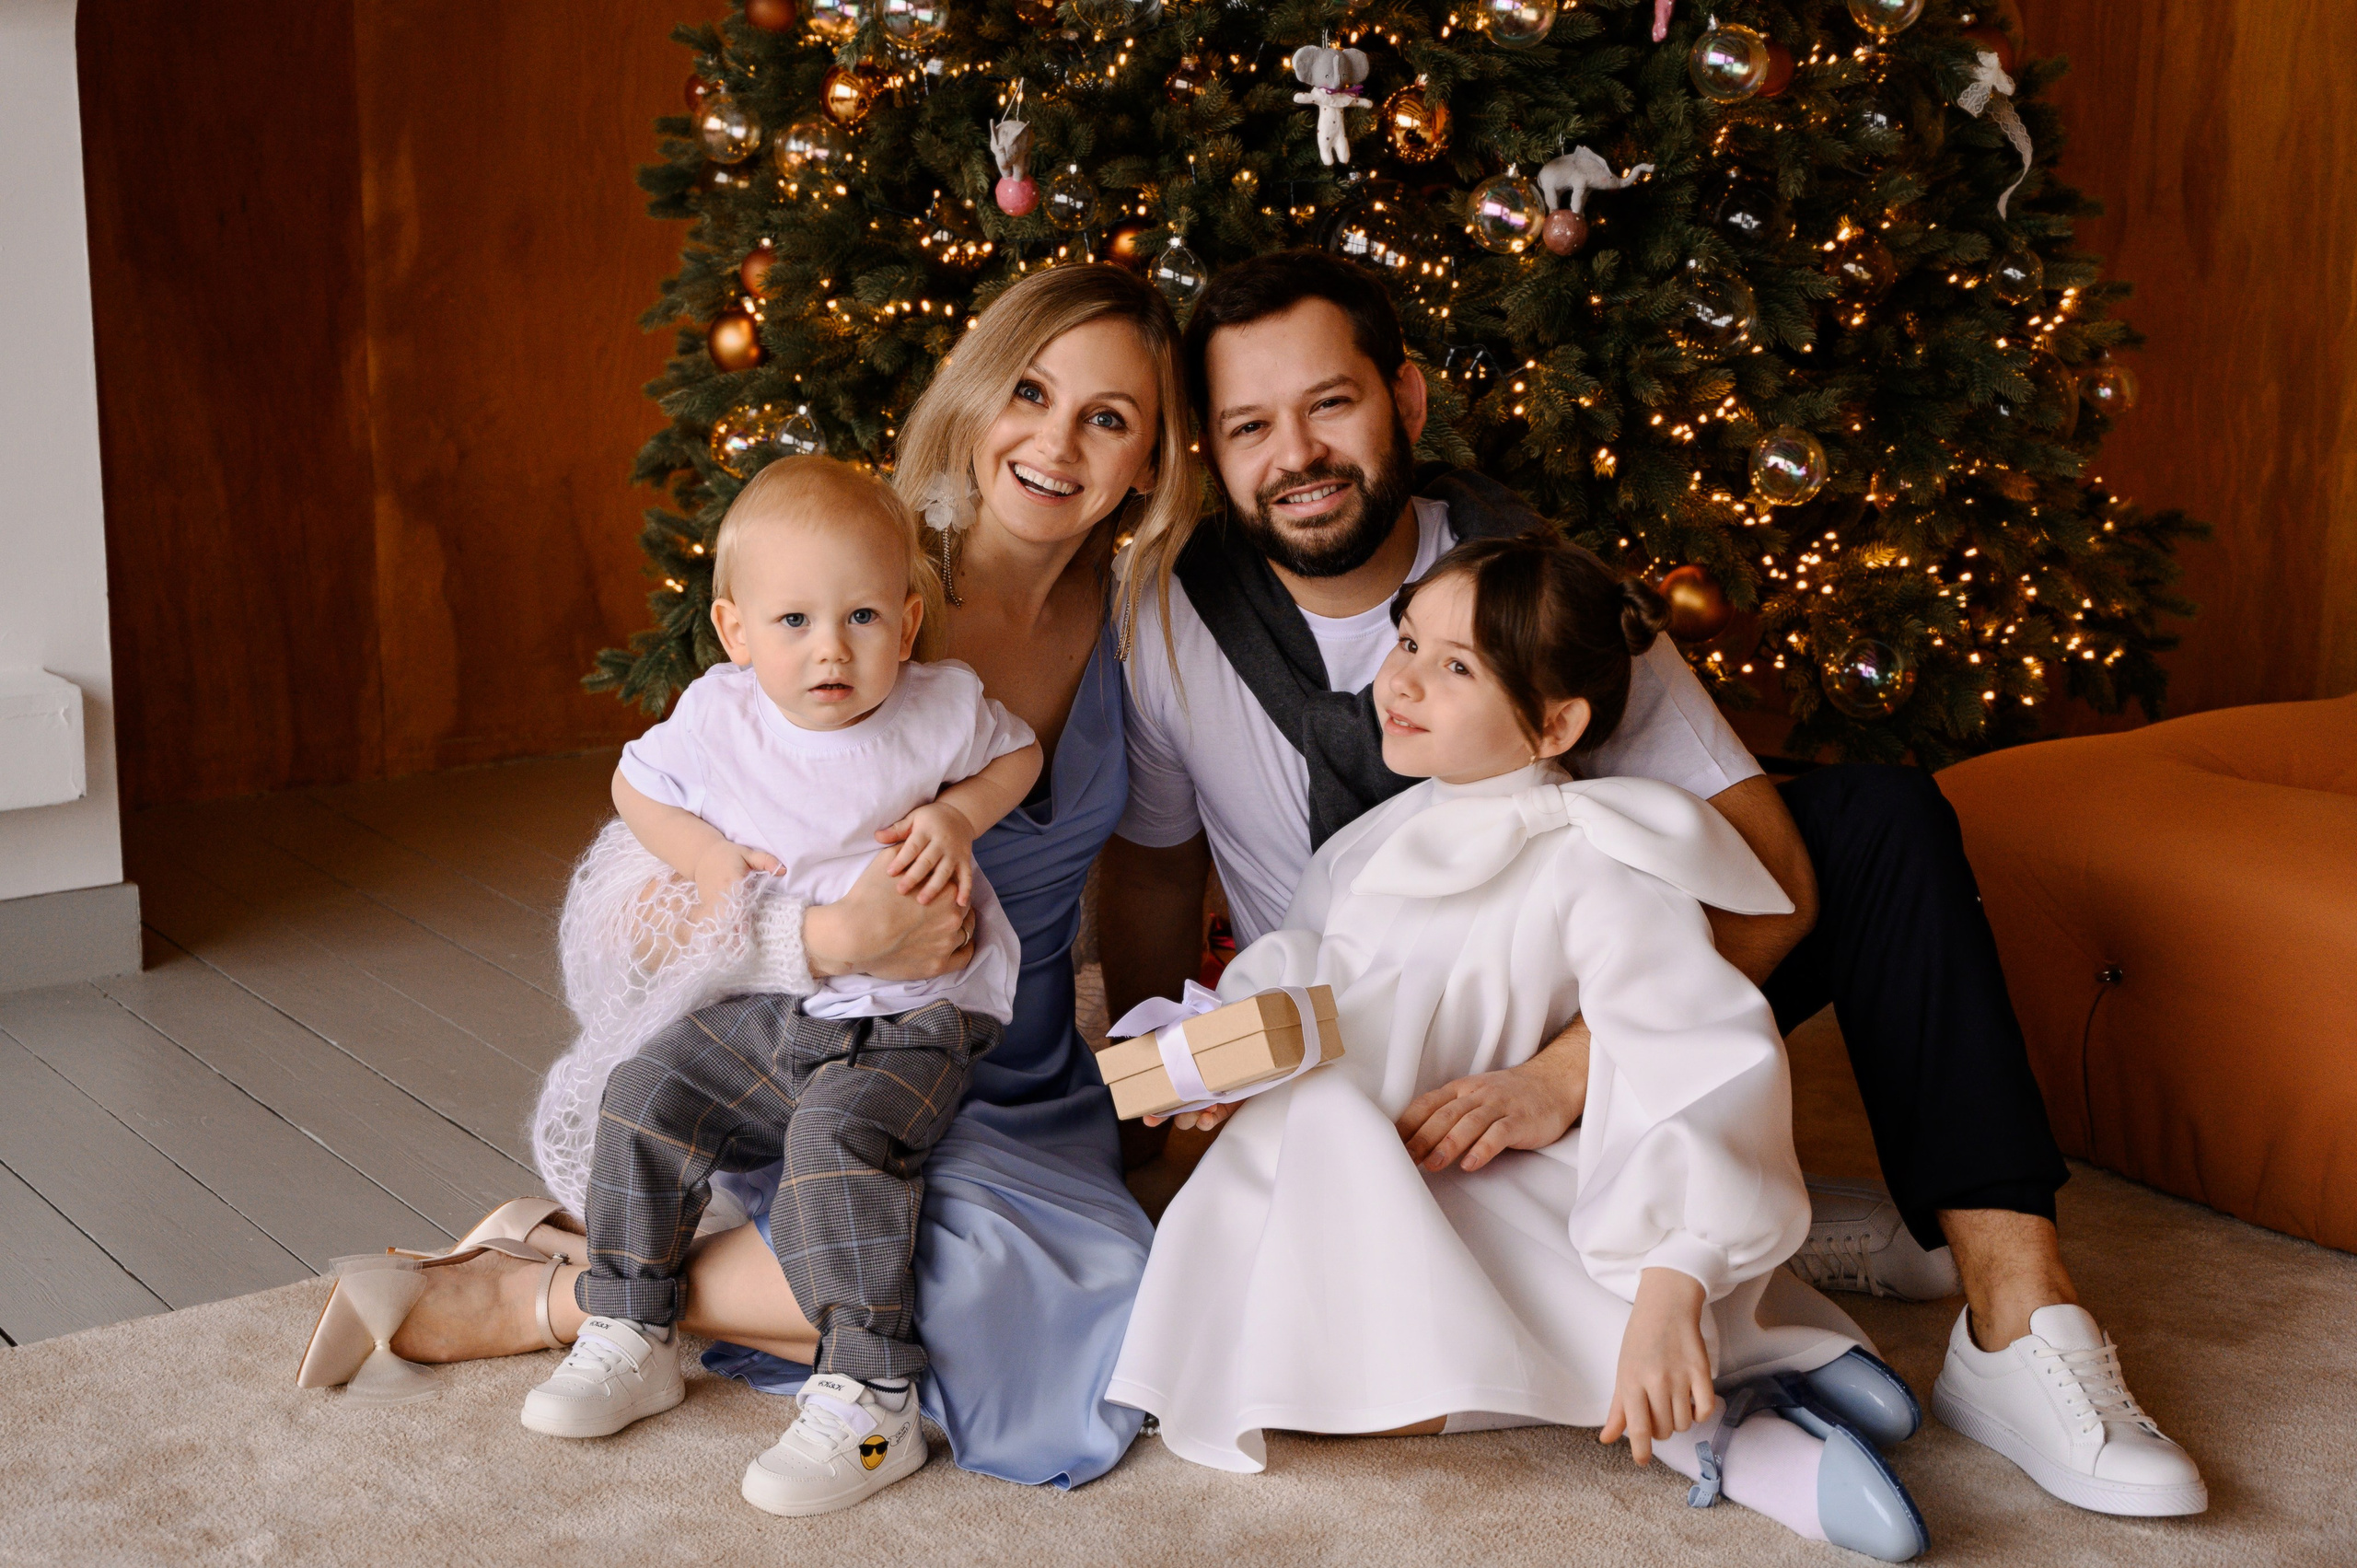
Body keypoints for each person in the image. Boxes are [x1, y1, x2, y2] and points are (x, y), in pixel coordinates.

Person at [1098, 250, 2206, 1518]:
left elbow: (1776, 874)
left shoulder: (1523, 582)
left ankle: (2020, 1313)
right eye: (1248, 424)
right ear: (1211, 449)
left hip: (1577, 1008)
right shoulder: (1165, 614)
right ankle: (1765, 1271)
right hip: (1372, 1041)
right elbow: (1151, 870)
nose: (1295, 453)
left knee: (1878, 818)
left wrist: (1569, 1068)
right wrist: (1162, 1108)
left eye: (1329, 403)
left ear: (1403, 397)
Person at [342, 261, 1201, 1496]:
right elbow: (623, 915)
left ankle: (595, 1285)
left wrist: (1148, 1089)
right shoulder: (839, 587)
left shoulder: (1138, 621)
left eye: (1109, 418)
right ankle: (557, 1300)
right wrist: (829, 936)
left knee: (1132, 1288)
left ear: (1151, 460)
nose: (1056, 441)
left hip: (1018, 1078)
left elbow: (1157, 870)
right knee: (965, 1263)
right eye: (1031, 389)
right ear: (974, 395)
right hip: (810, 1064)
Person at [1110, 531, 1930, 1561]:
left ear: (1555, 722)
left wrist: (1676, 1271)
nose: (1401, 681)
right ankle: (1753, 1361)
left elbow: (1691, 1049)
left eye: (1454, 667)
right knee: (1286, 1334)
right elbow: (1306, 968)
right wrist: (1222, 1044)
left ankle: (1712, 1415)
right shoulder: (1367, 844)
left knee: (1334, 1347)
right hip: (1398, 1158)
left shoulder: (1594, 854)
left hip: (1509, 1164)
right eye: (1406, 642)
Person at [512, 456, 1044, 1516]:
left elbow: (1017, 756)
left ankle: (870, 1390)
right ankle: (630, 1320)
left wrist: (955, 815)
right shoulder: (719, 718)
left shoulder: (939, 707)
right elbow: (634, 782)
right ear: (735, 628)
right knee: (645, 1088)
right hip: (768, 1012)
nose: (830, 648)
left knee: (834, 1147)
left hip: (915, 1021)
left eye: (858, 616)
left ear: (905, 617)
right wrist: (706, 856)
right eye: (793, 620)